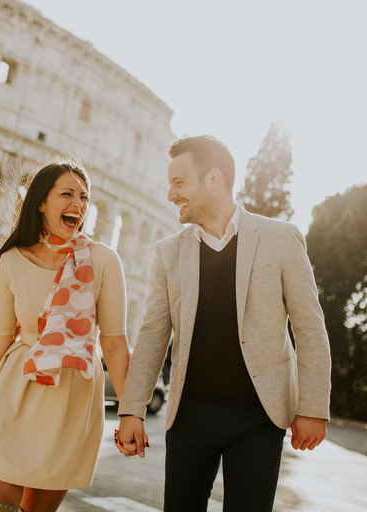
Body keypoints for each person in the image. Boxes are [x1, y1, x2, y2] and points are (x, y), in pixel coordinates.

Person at [116, 135, 332, 512]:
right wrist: (132, 409)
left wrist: (312, 408)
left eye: (179, 183)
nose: (170, 195)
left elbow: (310, 329)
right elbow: (152, 334)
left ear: (213, 179)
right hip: (189, 415)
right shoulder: (167, 253)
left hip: (259, 418)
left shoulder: (281, 239)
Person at [0, 161, 131, 512]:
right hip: (13, 392)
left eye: (84, 196)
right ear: (41, 203)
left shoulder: (104, 261)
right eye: (67, 194)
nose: (78, 203)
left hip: (71, 399)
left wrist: (130, 413)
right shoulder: (12, 260)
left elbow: (113, 343)